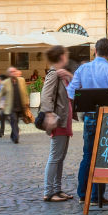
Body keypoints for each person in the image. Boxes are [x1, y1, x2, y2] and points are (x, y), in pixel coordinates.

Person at [67, 38, 108, 205]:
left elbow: (71, 92)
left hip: (90, 115)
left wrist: (79, 105)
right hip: (107, 116)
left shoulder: (83, 68)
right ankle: (97, 196)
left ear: (95, 51)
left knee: (88, 155)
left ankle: (83, 194)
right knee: (102, 157)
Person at [40, 45, 76, 202]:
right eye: (66, 54)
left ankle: (57, 189)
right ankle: (49, 192)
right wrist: (48, 114)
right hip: (58, 121)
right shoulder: (53, 74)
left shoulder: (62, 74)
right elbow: (46, 96)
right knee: (55, 157)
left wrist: (69, 76)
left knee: (60, 157)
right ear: (61, 57)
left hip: (65, 121)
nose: (67, 57)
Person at [0, 68, 31, 144]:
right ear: (9, 74)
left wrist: (27, 102)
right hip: (11, 106)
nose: (14, 73)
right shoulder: (6, 83)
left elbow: (25, 92)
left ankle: (13, 134)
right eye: (12, 72)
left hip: (20, 105)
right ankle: (16, 137)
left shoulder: (21, 80)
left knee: (16, 121)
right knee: (13, 120)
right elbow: (1, 94)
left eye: (15, 72)